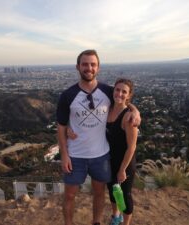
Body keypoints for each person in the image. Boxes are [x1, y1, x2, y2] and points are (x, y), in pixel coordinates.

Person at [57, 49, 140, 225]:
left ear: (98, 67)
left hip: (101, 155)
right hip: (75, 155)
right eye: (85, 64)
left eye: (93, 64)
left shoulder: (107, 91)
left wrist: (135, 111)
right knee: (70, 195)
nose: (89, 68)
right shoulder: (68, 95)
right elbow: (61, 126)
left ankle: (96, 222)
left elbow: (123, 98)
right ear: (78, 67)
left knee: (100, 193)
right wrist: (64, 154)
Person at [106, 78, 138, 225]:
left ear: (129, 95)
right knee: (113, 192)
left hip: (125, 163)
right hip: (110, 160)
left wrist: (122, 169)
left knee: (125, 195)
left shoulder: (129, 117)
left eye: (124, 91)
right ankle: (116, 217)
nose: (119, 93)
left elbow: (132, 147)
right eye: (117, 90)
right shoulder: (108, 109)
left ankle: (125, 223)